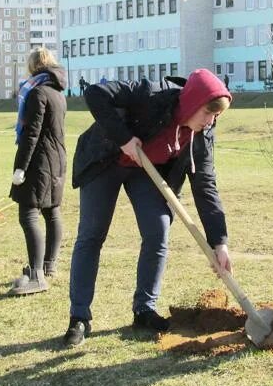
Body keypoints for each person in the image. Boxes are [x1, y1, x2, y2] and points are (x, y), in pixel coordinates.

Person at [64, 68, 233, 347]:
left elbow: (205, 186)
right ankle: (79, 317)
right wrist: (124, 138)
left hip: (144, 169)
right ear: (191, 102)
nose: (211, 121)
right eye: (207, 112)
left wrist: (220, 243)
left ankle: (144, 310)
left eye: (216, 116)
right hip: (106, 158)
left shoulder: (202, 134)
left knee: (158, 231)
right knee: (92, 234)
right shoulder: (151, 94)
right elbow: (95, 94)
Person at [8, 47, 67, 295]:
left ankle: (36, 275)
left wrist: (20, 167)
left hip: (40, 161)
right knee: (52, 211)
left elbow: (31, 134)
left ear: (33, 67)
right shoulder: (57, 92)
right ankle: (48, 264)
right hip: (57, 158)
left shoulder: (37, 93)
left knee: (29, 214)